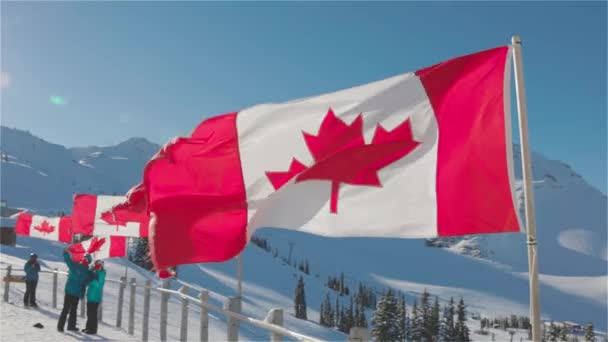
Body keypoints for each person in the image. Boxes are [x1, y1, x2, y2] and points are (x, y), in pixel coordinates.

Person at [57, 248, 93, 332]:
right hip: (74, 292)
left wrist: (65, 253)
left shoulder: (78, 267)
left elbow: (68, 261)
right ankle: (67, 326)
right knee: (70, 310)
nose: (83, 259)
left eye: (85, 259)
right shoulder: (84, 270)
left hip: (71, 291)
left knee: (68, 309)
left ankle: (64, 327)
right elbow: (87, 282)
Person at [83, 260, 106, 335]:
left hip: (95, 297)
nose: (98, 266)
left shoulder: (102, 273)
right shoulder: (94, 272)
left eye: (99, 265)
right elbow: (88, 277)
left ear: (102, 266)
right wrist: (91, 270)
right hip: (90, 296)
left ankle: (93, 329)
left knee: (93, 313)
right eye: (96, 265)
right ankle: (88, 327)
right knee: (89, 313)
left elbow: (100, 284)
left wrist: (93, 280)